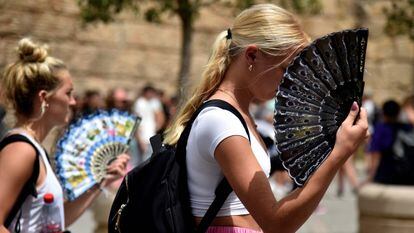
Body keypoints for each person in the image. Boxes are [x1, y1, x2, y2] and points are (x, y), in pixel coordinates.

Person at [163, 4, 368, 233]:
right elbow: (276, 223)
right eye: (285, 70)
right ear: (251, 55)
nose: (289, 84)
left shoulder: (238, 116)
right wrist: (340, 154)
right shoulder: (221, 122)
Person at [0, 38, 129, 233]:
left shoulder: (34, 148)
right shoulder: (20, 150)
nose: (73, 102)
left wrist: (101, 181)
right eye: (68, 93)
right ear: (44, 98)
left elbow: (57, 221)